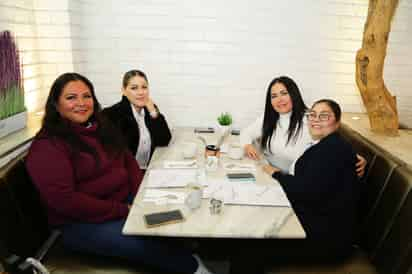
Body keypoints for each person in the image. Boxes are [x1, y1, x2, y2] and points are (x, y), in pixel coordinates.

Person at [25, 73, 214, 274]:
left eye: (86, 96)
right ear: (56, 104)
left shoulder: (99, 127)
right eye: (71, 98)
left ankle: (186, 256)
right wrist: (124, 209)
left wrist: (141, 196)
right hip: (81, 223)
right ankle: (194, 268)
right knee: (153, 244)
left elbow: (127, 160)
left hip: (122, 201)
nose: (81, 103)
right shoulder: (48, 145)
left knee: (175, 217)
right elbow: (65, 201)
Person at [263, 99, 360, 258]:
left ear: (337, 123)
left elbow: (305, 191)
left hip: (326, 240)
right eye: (312, 115)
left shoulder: (333, 149)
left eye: (324, 116)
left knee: (251, 245)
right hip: (317, 224)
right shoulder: (326, 144)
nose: (315, 119)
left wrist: (276, 174)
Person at [240, 76, 366, 176]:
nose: (279, 99)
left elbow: (330, 143)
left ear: (293, 94)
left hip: (290, 180)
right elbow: (246, 133)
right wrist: (247, 145)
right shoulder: (269, 117)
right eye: (274, 96)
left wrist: (353, 157)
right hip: (268, 172)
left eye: (284, 93)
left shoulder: (309, 119)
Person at [102, 70, 171, 169]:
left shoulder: (150, 109)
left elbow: (164, 140)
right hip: (125, 175)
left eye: (144, 87)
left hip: (146, 170)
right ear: (124, 91)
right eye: (134, 88)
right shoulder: (112, 114)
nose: (140, 92)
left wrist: (153, 112)